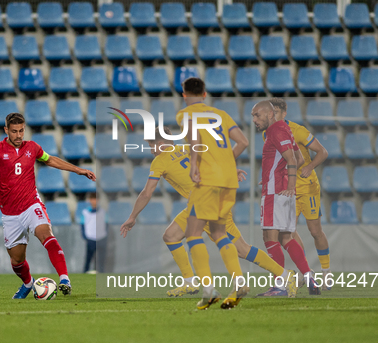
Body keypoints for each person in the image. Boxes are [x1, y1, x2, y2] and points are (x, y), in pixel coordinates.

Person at [119, 127, 298, 299]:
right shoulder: (188, 149)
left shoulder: (160, 161)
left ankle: (285, 275)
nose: (151, 150)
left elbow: (147, 192)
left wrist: (132, 217)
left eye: (151, 146)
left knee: (242, 250)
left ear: (160, 143)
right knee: (171, 236)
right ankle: (190, 282)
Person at [0, 112, 96, 299]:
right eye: (14, 131)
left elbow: (51, 159)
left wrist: (79, 170)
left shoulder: (32, 148)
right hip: (10, 214)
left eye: (21, 131)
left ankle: (64, 279)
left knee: (46, 234)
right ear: (6, 130)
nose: (19, 135)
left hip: (31, 204)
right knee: (17, 259)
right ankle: (28, 284)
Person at [177, 77, 248, 310]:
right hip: (229, 180)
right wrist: (226, 164)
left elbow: (195, 137)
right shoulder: (221, 114)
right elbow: (243, 142)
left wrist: (195, 164)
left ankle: (208, 290)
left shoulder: (185, 114)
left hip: (207, 180)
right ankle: (239, 282)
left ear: (184, 94)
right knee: (219, 232)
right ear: (205, 94)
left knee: (193, 233)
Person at [251, 101, 320, 296]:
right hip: (281, 190)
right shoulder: (286, 129)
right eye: (253, 116)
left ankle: (280, 285)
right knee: (286, 238)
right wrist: (275, 175)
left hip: (276, 193)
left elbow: (291, 160)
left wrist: (287, 184)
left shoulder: (275, 131)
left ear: (270, 114)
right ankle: (309, 277)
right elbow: (298, 159)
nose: (254, 120)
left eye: (257, 115)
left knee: (269, 238)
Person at [269, 98, 332, 290]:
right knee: (286, 233)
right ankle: (307, 272)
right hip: (288, 188)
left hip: (307, 187)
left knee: (315, 231)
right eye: (271, 113)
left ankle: (326, 271)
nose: (273, 116)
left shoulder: (298, 131)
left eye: (277, 113)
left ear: (284, 113)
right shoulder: (268, 133)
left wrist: (310, 166)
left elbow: (322, 151)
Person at [80, 192, 107, 273]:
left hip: (100, 238)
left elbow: (106, 224)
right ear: (90, 200)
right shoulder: (85, 212)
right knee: (88, 258)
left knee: (100, 260)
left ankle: (101, 275)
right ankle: (84, 274)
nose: (94, 201)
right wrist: (85, 236)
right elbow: (82, 225)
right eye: (92, 199)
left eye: (95, 199)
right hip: (90, 238)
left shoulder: (102, 212)